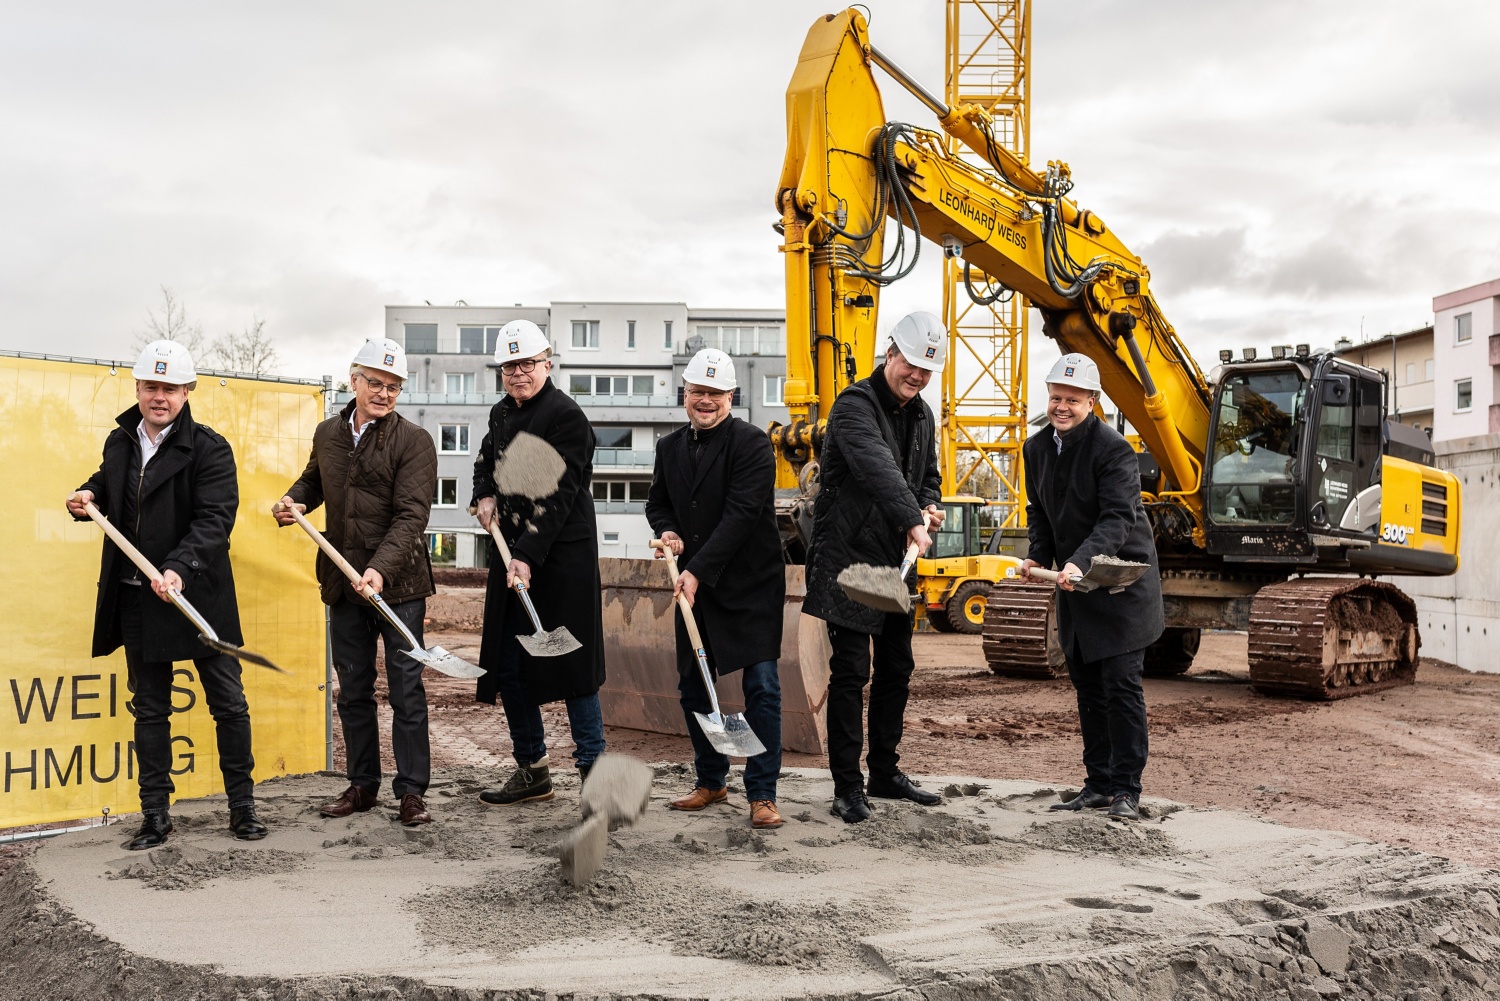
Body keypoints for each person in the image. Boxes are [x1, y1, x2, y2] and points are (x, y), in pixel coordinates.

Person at [67, 340, 264, 850]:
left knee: (229, 705)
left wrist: (178, 568)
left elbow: (215, 520)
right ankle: (155, 814)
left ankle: (242, 808)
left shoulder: (209, 448)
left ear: (187, 392)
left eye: (170, 389)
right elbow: (111, 486)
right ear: (137, 388)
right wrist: (88, 495)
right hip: (138, 598)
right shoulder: (119, 442)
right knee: (151, 710)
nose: (160, 397)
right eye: (151, 387)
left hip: (199, 597)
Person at [273, 337, 438, 827]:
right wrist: (295, 500)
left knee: (406, 688)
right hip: (343, 582)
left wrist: (381, 569)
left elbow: (412, 517)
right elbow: (314, 481)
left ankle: (411, 793)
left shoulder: (415, 442)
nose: (384, 393)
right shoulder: (328, 433)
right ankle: (363, 785)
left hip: (400, 586)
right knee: (354, 689)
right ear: (354, 379)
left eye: (393, 386)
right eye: (375, 383)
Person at [803, 312, 948, 824]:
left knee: (897, 668)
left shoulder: (923, 415)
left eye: (927, 372)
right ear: (891, 353)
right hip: (849, 560)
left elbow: (925, 476)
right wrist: (914, 518)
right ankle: (848, 786)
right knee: (851, 672)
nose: (917, 377)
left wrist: (927, 505)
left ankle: (885, 771)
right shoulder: (853, 406)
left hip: (896, 562)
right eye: (911, 365)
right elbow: (878, 468)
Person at [1021, 352, 1164, 821]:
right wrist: (1040, 557)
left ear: (1092, 401)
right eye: (1056, 397)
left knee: (1120, 685)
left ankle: (1127, 788)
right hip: (1075, 584)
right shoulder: (1036, 448)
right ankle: (1098, 783)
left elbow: (1117, 519)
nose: (1062, 406)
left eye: (1072, 400)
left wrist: (1080, 563)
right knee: (1087, 685)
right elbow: (1040, 513)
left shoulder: (1113, 449)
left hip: (1121, 580)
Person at [646, 349, 786, 830]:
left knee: (762, 688)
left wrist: (697, 569)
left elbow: (742, 515)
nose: (705, 401)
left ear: (732, 396)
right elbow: (658, 502)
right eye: (697, 392)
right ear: (685, 394)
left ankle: (762, 794)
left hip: (749, 584)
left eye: (715, 393)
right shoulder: (668, 447)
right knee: (693, 686)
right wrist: (667, 532)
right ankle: (712, 779)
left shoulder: (751, 444)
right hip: (695, 588)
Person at [471, 319, 606, 804]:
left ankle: (594, 774)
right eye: (509, 366)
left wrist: (527, 555)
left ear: (547, 363)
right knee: (510, 667)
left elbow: (559, 493)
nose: (517, 373)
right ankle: (533, 770)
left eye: (526, 363)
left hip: (560, 559)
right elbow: (484, 461)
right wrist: (482, 493)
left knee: (574, 670)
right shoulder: (501, 413)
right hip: (511, 556)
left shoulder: (566, 416)